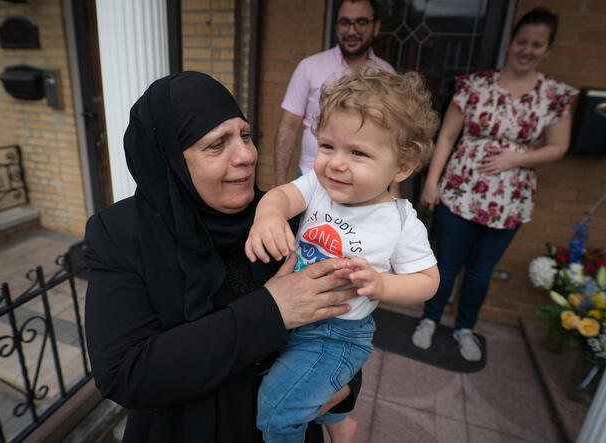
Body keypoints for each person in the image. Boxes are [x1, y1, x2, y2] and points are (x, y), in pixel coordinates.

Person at [84, 71, 364, 443]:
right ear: (171, 161)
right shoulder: (119, 235)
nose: (247, 155)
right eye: (218, 145)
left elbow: (344, 321)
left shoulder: (285, 218)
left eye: (245, 135)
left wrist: (345, 387)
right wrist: (271, 310)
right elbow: (125, 373)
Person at [245, 68, 440, 442]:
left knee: (275, 409)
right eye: (327, 146)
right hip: (291, 312)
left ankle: (327, 407)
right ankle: (339, 418)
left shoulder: (400, 223)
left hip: (336, 335)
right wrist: (268, 214)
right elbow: (282, 196)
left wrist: (382, 283)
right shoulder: (319, 185)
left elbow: (428, 282)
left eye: (358, 152)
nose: (336, 162)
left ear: (401, 166)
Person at [412, 7, 578, 361]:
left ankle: (464, 328)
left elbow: (559, 147)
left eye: (537, 44)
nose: (527, 50)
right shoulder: (475, 85)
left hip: (509, 199)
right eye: (522, 42)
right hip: (459, 190)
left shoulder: (553, 95)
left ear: (547, 49)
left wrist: (516, 158)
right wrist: (432, 180)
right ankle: (429, 319)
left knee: (480, 271)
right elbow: (446, 137)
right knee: (445, 264)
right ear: (509, 42)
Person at [273, 0, 394, 187]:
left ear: (375, 27)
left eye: (361, 22)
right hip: (311, 180)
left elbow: (393, 136)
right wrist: (280, 186)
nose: (351, 31)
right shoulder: (309, 67)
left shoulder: (387, 75)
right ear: (337, 27)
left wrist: (393, 189)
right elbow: (288, 128)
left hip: (365, 187)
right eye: (345, 23)